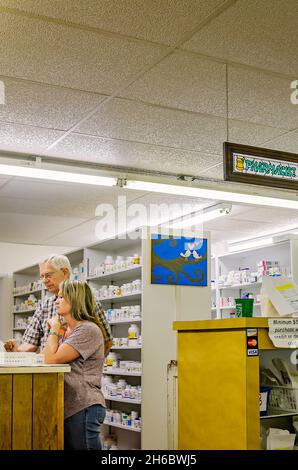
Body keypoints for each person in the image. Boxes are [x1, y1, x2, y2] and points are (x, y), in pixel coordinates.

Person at [5, 254, 112, 355]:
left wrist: (88, 365)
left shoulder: (88, 301)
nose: (44, 281)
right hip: (50, 369)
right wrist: (17, 352)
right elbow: (31, 342)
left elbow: (106, 341)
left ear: (65, 272)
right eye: (42, 276)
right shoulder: (45, 305)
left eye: (48, 275)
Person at [44, 280, 106, 450]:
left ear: (75, 299)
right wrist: (59, 331)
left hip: (84, 406)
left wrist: (54, 329)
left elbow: (51, 359)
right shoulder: (69, 330)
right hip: (70, 406)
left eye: (62, 297)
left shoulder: (87, 330)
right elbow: (47, 356)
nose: (56, 301)